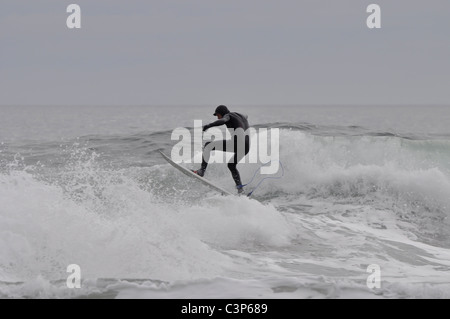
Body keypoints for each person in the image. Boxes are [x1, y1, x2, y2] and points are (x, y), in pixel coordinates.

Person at [193, 105, 250, 194]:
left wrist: (208, 126)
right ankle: (240, 188)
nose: (217, 117)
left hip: (238, 143)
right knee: (231, 165)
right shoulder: (241, 115)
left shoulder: (228, 116)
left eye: (217, 115)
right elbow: (246, 115)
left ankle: (201, 171)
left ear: (221, 113)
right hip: (246, 147)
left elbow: (223, 120)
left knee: (208, 145)